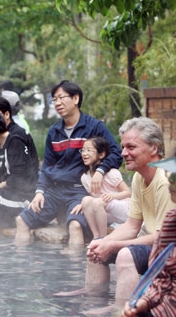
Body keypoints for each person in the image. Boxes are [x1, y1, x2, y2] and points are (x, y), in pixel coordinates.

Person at [56, 117, 175, 302]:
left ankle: (122, 309)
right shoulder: (138, 178)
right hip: (155, 245)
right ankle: (93, 297)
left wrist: (113, 245)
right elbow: (132, 226)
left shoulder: (166, 181)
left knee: (126, 255)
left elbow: (162, 238)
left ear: (154, 147)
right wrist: (103, 242)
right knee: (97, 246)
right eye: (123, 147)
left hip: (168, 251)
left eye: (131, 147)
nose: (123, 153)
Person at [15, 79, 123, 247]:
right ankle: (21, 268)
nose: (57, 103)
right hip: (55, 190)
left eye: (61, 97)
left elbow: (116, 152)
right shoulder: (54, 131)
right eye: (54, 99)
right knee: (22, 220)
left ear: (75, 99)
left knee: (75, 226)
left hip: (80, 191)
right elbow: (47, 166)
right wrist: (39, 192)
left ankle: (73, 271)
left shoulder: (94, 127)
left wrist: (100, 171)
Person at [118, 154, 176, 317]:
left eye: (175, 178)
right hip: (173, 308)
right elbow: (160, 276)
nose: (169, 182)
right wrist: (143, 302)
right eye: (171, 175)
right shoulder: (171, 221)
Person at [72, 136, 131, 240]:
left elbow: (128, 193)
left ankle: (103, 238)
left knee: (97, 202)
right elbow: (92, 197)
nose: (84, 154)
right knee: (86, 200)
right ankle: (96, 236)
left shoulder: (111, 173)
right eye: (83, 150)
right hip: (105, 211)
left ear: (102, 154)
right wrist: (82, 205)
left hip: (123, 209)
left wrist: (113, 196)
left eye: (89, 150)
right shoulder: (85, 177)